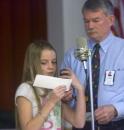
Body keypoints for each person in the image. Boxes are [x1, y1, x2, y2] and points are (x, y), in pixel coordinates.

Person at [61, 0, 124, 130]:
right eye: (86, 21)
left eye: (96, 20)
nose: (90, 26)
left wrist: (116, 109)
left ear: (111, 20)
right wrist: (65, 97)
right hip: (81, 124)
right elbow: (62, 94)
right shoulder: (72, 55)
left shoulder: (122, 50)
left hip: (116, 124)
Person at [15, 40, 86, 130]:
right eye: (44, 63)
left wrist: (80, 89)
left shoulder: (52, 89)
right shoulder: (25, 89)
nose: (51, 66)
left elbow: (79, 122)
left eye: (53, 62)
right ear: (32, 65)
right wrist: (51, 102)